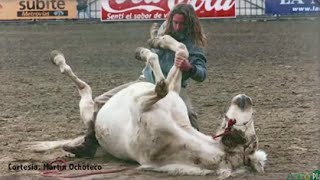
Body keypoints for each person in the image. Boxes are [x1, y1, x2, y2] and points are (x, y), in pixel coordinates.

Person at [63, 3, 207, 158]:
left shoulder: (194, 44)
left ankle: (199, 150)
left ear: (189, 24)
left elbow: (202, 74)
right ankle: (90, 143)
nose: (177, 27)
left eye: (182, 24)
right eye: (175, 22)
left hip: (174, 88)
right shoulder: (166, 28)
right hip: (145, 80)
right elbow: (154, 44)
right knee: (99, 102)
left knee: (190, 116)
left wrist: (190, 68)